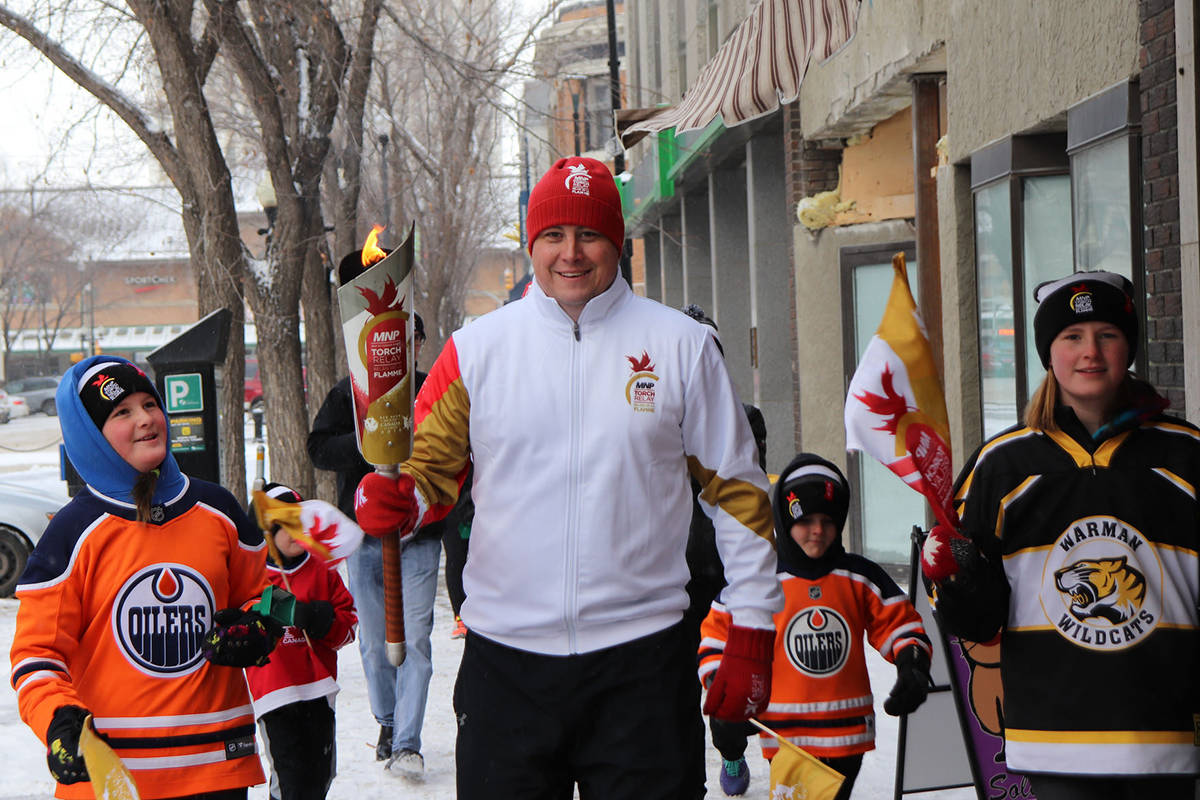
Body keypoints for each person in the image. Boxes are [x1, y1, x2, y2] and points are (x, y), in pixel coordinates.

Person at [353, 156, 783, 799]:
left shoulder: (680, 347)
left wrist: (752, 623)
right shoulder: (476, 350)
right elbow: (432, 474)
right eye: (554, 235)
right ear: (533, 244)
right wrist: (399, 499)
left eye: (590, 234)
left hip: (642, 663)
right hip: (507, 669)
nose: (571, 253)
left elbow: (738, 493)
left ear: (617, 242)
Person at [922, 270, 1200, 800]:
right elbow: (978, 622)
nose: (1090, 352)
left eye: (1108, 335)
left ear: (1129, 348)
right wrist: (956, 578)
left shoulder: (1186, 456)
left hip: (1166, 735)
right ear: (1049, 354)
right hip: (1054, 738)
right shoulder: (1001, 467)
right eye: (1072, 337)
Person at [9, 355, 277, 800]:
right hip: (113, 776)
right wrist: (58, 720)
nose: (146, 420)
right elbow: (37, 657)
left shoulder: (218, 510)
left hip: (215, 767)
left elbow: (265, 595)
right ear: (91, 437)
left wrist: (257, 624)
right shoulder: (74, 531)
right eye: (122, 412)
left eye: (150, 404)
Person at [700, 453, 932, 798]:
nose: (818, 530)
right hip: (783, 735)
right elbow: (716, 638)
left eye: (827, 519)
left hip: (847, 734)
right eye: (805, 520)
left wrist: (911, 663)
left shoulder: (859, 576)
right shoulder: (758, 580)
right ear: (784, 517)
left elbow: (901, 623)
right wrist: (723, 688)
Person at [306, 313, 444, 778]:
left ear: (420, 344)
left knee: (416, 640)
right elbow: (318, 448)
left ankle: (407, 742)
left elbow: (458, 452)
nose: (401, 348)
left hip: (420, 537)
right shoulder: (351, 392)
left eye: (411, 338)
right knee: (372, 642)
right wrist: (368, 446)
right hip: (365, 539)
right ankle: (387, 723)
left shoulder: (432, 391)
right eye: (390, 340)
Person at [245, 482, 359, 800]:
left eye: (302, 523)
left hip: (319, 689)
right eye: (288, 525)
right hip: (275, 692)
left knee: (321, 774)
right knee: (290, 778)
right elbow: (238, 624)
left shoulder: (322, 570)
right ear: (268, 529)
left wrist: (325, 622)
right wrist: (258, 619)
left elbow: (349, 626)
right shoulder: (251, 574)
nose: (298, 533)